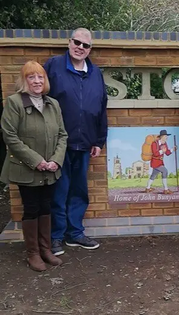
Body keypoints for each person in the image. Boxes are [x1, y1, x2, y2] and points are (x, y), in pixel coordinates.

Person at [44, 27, 108, 256]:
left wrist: (99, 141)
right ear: (69, 42)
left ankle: (75, 233)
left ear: (91, 49)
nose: (80, 48)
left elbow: (101, 108)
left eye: (86, 45)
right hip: (58, 144)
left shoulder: (95, 73)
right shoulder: (53, 66)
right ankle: (56, 237)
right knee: (59, 191)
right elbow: (40, 99)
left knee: (79, 191)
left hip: (85, 144)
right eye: (77, 43)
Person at [1, 61, 67, 271]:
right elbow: (10, 136)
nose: (37, 81)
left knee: (46, 206)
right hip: (27, 169)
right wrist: (36, 161)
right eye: (31, 77)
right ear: (24, 80)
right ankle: (33, 253)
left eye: (40, 77)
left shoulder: (53, 104)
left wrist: (55, 160)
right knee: (31, 208)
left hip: (50, 169)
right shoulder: (14, 102)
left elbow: (62, 135)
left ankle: (46, 249)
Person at [145, 129, 177, 194]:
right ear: (161, 137)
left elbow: (167, 153)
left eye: (166, 136)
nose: (166, 137)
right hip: (155, 162)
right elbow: (155, 153)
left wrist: (172, 149)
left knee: (153, 175)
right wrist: (162, 151)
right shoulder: (154, 143)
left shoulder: (165, 143)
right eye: (165, 136)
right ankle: (166, 189)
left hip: (160, 162)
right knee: (165, 171)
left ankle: (148, 188)